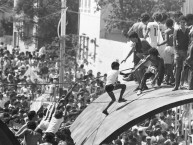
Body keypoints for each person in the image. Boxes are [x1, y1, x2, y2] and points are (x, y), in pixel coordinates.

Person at [173, 15, 190, 91]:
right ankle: (176, 85)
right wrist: (175, 51)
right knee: (178, 68)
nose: (182, 23)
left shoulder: (188, 30)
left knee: (185, 68)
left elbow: (189, 40)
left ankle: (182, 84)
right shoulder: (177, 30)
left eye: (184, 22)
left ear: (185, 23)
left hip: (186, 51)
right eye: (181, 22)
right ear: (179, 23)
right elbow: (174, 40)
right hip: (179, 51)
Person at [157, 19, 175, 85]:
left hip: (168, 49)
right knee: (171, 65)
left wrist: (159, 44)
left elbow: (166, 40)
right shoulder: (175, 30)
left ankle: (172, 78)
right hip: (174, 48)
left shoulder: (167, 31)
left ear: (166, 24)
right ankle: (168, 78)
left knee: (167, 65)